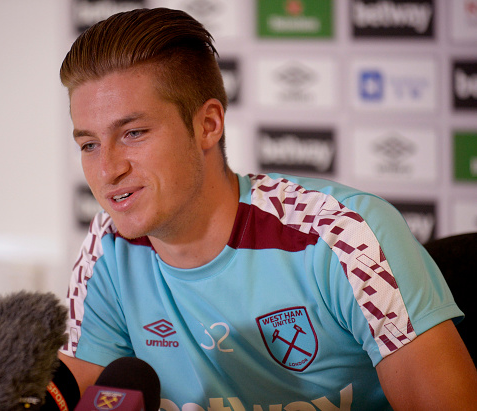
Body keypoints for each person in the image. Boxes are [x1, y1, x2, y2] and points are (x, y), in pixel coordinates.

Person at [57, 7, 477, 410]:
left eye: (133, 133)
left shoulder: (343, 233)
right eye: (89, 144)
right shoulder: (106, 248)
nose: (108, 169)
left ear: (208, 125)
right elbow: (82, 389)